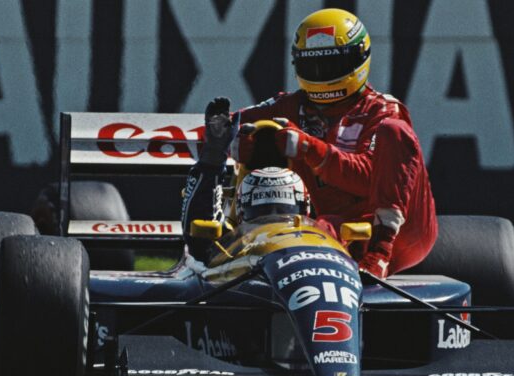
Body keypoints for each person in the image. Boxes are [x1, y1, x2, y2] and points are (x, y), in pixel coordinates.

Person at [185, 8, 437, 278]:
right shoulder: (288, 106)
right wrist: (233, 144)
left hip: (404, 235)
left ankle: (380, 254)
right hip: (330, 227)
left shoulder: (384, 111)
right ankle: (230, 249)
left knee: (394, 132)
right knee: (266, 136)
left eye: (333, 65)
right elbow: (215, 131)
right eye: (312, 66)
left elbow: (368, 179)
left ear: (360, 58)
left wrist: (309, 148)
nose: (322, 75)